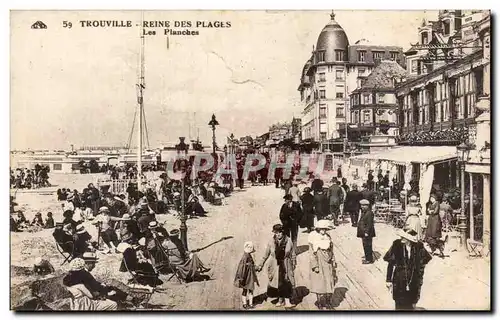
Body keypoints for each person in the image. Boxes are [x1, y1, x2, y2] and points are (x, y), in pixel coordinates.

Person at [384, 229, 432, 310]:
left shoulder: (418, 246)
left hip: (413, 280)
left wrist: (419, 276)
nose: (401, 238)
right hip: (399, 279)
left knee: (411, 303)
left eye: (404, 237)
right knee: (399, 303)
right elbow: (391, 263)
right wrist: (388, 280)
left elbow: (424, 261)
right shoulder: (397, 245)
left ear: (410, 240)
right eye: (401, 236)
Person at [256, 224, 296, 308]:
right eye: (276, 233)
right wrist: (260, 265)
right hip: (275, 265)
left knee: (286, 281)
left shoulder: (288, 240)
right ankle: (281, 300)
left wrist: (293, 263)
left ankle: (287, 301)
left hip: (286, 264)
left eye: (280, 232)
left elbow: (293, 254)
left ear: (283, 232)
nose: (278, 234)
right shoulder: (271, 241)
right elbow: (265, 255)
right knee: (278, 283)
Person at [308, 220, 337, 310]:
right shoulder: (314, 238)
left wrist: (333, 260)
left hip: (327, 262)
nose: (323, 231)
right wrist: (315, 265)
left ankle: (328, 302)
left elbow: (331, 250)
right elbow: (311, 253)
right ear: (318, 229)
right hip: (319, 261)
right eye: (322, 229)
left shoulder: (328, 237)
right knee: (319, 282)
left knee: (329, 281)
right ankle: (320, 302)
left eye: (325, 229)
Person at [234, 241, 259, 309]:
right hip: (245, 276)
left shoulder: (248, 256)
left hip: (248, 275)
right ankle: (246, 304)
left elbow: (252, 264)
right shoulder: (245, 257)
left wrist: (255, 267)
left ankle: (249, 304)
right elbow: (242, 268)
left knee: (249, 289)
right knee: (247, 289)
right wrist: (241, 277)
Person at [357, 199, 375, 264]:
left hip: (367, 233)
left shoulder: (369, 213)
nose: (362, 207)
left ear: (367, 206)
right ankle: (368, 257)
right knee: (365, 245)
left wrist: (366, 232)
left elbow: (369, 224)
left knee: (367, 246)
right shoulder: (365, 212)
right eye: (361, 205)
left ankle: (369, 259)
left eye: (364, 206)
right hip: (364, 232)